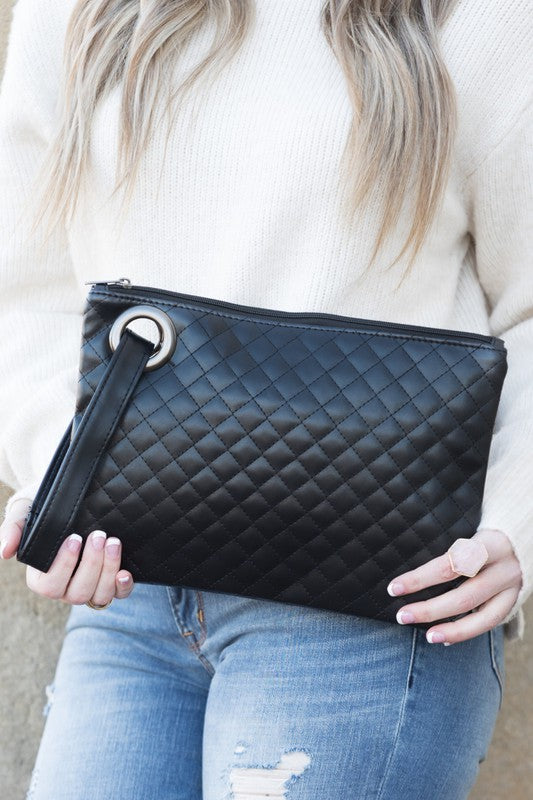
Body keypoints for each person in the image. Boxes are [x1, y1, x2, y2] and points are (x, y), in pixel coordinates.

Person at [0, 1, 531, 798]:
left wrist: (517, 517)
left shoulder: (483, 18)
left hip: (370, 606)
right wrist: (61, 479)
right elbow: (27, 288)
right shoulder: (75, 10)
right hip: (128, 592)